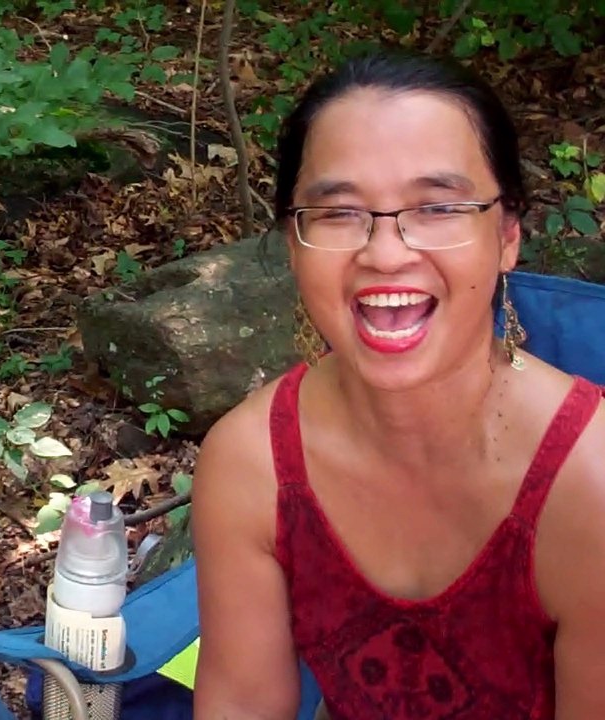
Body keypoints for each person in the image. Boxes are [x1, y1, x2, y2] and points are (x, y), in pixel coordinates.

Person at [190, 48, 605, 719]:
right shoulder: (252, 464)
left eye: (437, 207)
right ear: (293, 242)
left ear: (507, 235)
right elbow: (241, 704)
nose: (385, 254)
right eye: (339, 212)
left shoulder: (589, 485)